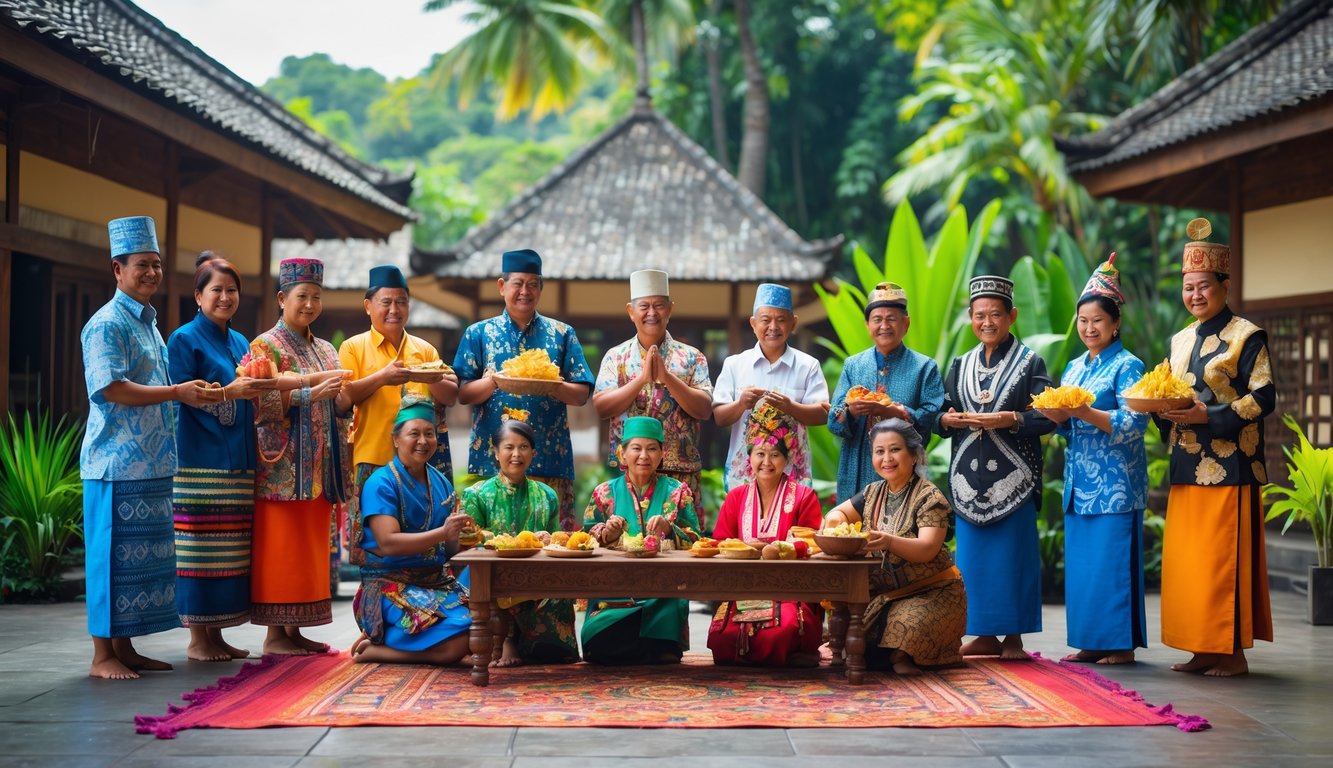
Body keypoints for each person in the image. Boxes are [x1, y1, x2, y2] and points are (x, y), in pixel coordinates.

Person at [80, 216, 219, 679]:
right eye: (142, 265)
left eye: (157, 265)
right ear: (117, 269)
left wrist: (184, 391)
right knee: (109, 559)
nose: (152, 273)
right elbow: (111, 388)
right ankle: (103, 656)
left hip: (152, 462)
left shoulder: (150, 324)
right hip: (114, 463)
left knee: (136, 566)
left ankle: (126, 648)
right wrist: (178, 393)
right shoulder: (105, 324)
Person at [1155, 220, 1274, 677]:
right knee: (1193, 561)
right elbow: (1167, 388)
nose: (1196, 295)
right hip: (1187, 459)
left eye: (1204, 286)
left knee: (1224, 558)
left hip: (1232, 463)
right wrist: (1160, 409)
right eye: (1189, 287)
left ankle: (1232, 653)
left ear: (1224, 285)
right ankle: (1201, 647)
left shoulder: (1248, 335)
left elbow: (1263, 396)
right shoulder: (1180, 339)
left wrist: (1213, 416)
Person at [1036, 255, 1148, 665]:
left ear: (1114, 322)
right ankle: (1089, 641)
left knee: (1111, 564)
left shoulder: (1128, 364)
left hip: (1117, 482)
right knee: (1084, 569)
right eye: (1082, 321)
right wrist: (1059, 418)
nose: (1089, 328)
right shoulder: (1073, 367)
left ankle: (1118, 645)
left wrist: (1086, 412)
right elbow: (1069, 425)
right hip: (1078, 481)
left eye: (1097, 320)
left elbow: (1136, 421)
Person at [937, 275, 1055, 660]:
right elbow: (941, 412)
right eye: (979, 315)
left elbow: (1048, 416)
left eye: (996, 315)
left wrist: (1012, 419)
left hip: (1014, 478)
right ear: (970, 318)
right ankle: (983, 634)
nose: (987, 322)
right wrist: (946, 421)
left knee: (1013, 556)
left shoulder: (1030, 363)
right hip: (968, 478)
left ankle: (1014, 638)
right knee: (973, 562)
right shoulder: (959, 364)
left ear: (1012, 316)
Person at [166, 254, 274, 662]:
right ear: (198, 296)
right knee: (199, 548)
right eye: (216, 290)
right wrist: (230, 394)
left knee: (227, 548)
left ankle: (216, 635)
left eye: (232, 291)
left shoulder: (242, 342)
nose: (225, 297)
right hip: (199, 457)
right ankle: (198, 639)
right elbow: (182, 395)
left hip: (239, 455)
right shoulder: (183, 339)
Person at [250, 257, 352, 655]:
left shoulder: (326, 349)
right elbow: (261, 404)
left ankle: (295, 629)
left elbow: (337, 402)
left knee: (309, 548)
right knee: (282, 546)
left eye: (315, 297)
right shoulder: (264, 345)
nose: (309, 304)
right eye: (301, 296)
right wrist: (311, 393)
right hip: (283, 465)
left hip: (321, 465)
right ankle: (275, 634)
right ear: (281, 298)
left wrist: (343, 403)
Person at [453, 249, 594, 532]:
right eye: (517, 283)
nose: (524, 291)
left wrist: (552, 386)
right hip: (492, 463)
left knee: (551, 545)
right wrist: (493, 381)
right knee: (489, 543)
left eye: (532, 284)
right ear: (502, 286)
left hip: (550, 459)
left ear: (541, 288)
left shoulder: (562, 333)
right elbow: (463, 393)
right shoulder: (479, 333)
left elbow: (581, 394)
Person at [825, 419, 966, 674]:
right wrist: (839, 530)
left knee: (906, 629)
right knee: (851, 635)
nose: (886, 458)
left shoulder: (930, 497)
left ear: (914, 456)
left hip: (931, 592)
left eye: (895, 450)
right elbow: (836, 515)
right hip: (884, 595)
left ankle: (903, 656)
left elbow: (927, 548)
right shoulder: (872, 492)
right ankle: (891, 655)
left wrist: (889, 541)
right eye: (879, 451)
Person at [340, 264, 458, 567]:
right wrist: (382, 377)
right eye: (386, 302)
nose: (394, 309)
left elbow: (451, 395)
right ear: (368, 306)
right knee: (375, 549)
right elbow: (342, 398)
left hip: (422, 460)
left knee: (427, 545)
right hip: (374, 456)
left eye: (401, 302)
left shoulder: (425, 349)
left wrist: (435, 379)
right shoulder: (353, 347)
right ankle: (375, 604)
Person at [350, 400, 473, 665]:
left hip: (435, 583)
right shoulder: (381, 483)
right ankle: (378, 650)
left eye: (429, 433)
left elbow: (449, 551)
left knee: (489, 620)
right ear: (396, 439)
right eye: (414, 434)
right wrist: (443, 532)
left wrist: (469, 538)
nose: (423, 441)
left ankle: (391, 639)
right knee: (463, 638)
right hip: (391, 587)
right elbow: (389, 543)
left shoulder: (440, 481)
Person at [707, 404, 824, 667]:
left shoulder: (804, 496)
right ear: (749, 457)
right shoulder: (736, 497)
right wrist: (745, 548)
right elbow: (719, 543)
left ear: (787, 458)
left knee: (781, 632)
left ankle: (795, 649)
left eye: (775, 455)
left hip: (791, 590)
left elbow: (814, 545)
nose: (767, 462)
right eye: (760, 453)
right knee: (721, 639)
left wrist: (783, 548)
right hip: (743, 588)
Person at [594, 269, 713, 527]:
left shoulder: (692, 357)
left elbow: (704, 409)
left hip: (681, 471)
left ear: (670, 309)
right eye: (644, 306)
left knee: (684, 542)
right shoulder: (616, 357)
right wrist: (641, 380)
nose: (652, 313)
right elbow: (601, 407)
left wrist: (667, 377)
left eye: (659, 305)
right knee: (625, 540)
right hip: (630, 472)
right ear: (630, 311)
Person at [582, 416, 701, 664]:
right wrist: (607, 533)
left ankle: (650, 644)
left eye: (651, 449)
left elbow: (697, 540)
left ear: (662, 454)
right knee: (597, 648)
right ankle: (644, 645)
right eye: (636, 448)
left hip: (663, 592)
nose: (644, 456)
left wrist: (670, 528)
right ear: (622, 453)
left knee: (665, 651)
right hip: (614, 590)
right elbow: (586, 538)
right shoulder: (604, 492)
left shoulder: (678, 491)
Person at [461, 418, 579, 666]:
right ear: (495, 452)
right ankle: (506, 639)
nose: (516, 454)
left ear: (533, 453)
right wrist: (508, 541)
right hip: (492, 574)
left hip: (537, 577)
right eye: (509, 447)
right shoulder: (477, 494)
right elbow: (468, 541)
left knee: (559, 594)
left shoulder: (547, 495)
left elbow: (556, 543)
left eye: (524, 447)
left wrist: (548, 540)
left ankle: (532, 646)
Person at [827, 282, 944, 504]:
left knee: (899, 534)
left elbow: (932, 417)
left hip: (904, 472)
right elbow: (833, 421)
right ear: (867, 325)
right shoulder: (853, 365)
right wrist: (850, 412)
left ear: (906, 323)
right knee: (853, 533)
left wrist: (894, 411)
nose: (884, 326)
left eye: (891, 319)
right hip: (856, 471)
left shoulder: (925, 367)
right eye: (877, 319)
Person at [712, 283, 829, 490]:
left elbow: (822, 415)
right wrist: (741, 404)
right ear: (753, 323)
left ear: (793, 324)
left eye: (781, 320)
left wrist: (790, 407)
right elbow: (720, 417)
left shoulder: (808, 366)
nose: (773, 327)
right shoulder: (734, 364)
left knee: (792, 524)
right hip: (744, 477)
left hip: (793, 475)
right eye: (765, 320)